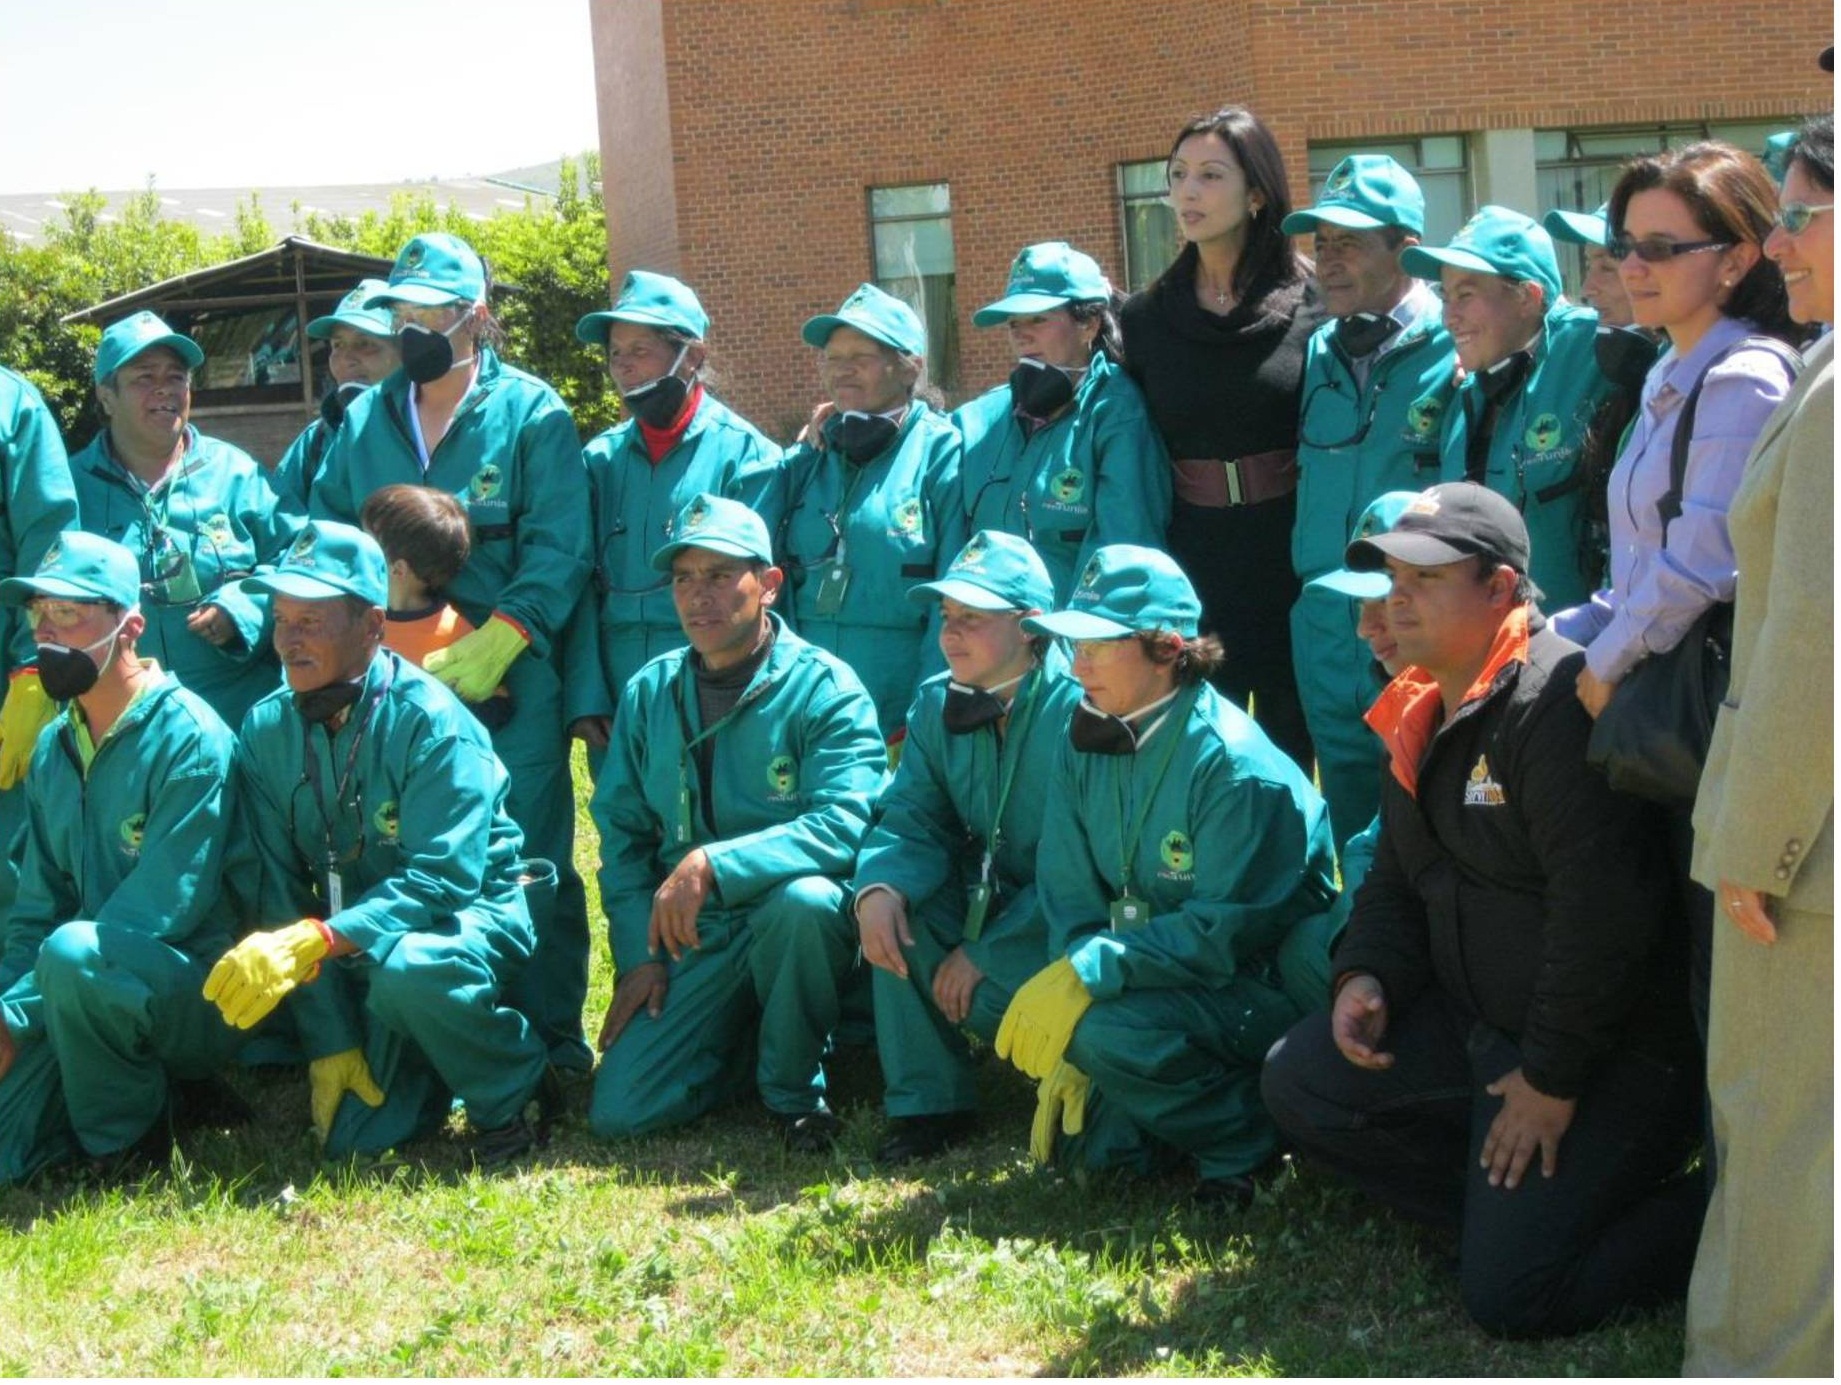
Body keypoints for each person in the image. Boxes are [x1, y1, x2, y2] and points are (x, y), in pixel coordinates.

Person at [1261, 483, 1705, 1339]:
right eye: (1392, 575)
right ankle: (1508, 1207)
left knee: (1513, 1298)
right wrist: (1366, 973)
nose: (1395, 598)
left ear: (1500, 589)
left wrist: (1549, 1081)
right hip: (1486, 1027)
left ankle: (1714, 1209)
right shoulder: (1420, 700)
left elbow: (1603, 922)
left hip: (1610, 1053)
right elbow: (1394, 881)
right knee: (1300, 1079)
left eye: (1424, 577)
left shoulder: (1554, 703)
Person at [310, 233, 594, 1076]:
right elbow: (326, 537)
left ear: (476, 313)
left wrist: (508, 634)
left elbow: (559, 544)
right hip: (390, 689)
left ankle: (550, 1041)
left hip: (507, 683)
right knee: (404, 855)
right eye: (402, 310)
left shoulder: (532, 412)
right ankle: (427, 1044)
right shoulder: (364, 419)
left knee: (529, 858)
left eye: (433, 308)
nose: (414, 326)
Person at [1553, 141, 1803, 1055]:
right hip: (1655, 704)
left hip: (1700, 710)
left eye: (1663, 247)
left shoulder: (1742, 378)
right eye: (1626, 243)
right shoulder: (1670, 371)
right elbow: (1636, 561)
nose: (1631, 265)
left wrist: (1603, 661)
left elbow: (1706, 562)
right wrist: (1557, 637)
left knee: (1721, 975)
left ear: (1736, 260)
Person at [205, 520, 555, 1163]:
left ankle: (515, 1089)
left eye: (312, 620)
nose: (289, 639)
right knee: (356, 1142)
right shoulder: (266, 727)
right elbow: (279, 891)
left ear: (371, 625)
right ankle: (423, 1059)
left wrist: (329, 938)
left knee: (411, 972)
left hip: (464, 915)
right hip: (358, 937)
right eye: (281, 619)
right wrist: (329, 1039)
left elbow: (444, 879)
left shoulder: (431, 719)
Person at [1003, 544, 1336, 1202]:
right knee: (1091, 1149)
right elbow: (1068, 892)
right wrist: (1077, 967)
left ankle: (1248, 1141)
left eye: (1100, 643)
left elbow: (1222, 934)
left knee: (1100, 1032)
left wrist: (1091, 977)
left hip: (1252, 986)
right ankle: (1154, 1107)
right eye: (1074, 642)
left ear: (1166, 647)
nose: (1078, 662)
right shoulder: (1089, 735)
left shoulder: (1234, 765)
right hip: (1152, 973)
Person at [587, 495, 886, 1151]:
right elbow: (624, 837)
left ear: (770, 584)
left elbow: (847, 821)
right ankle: (743, 1038)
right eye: (683, 578)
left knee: (803, 904)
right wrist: (640, 956)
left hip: (792, 917)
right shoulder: (649, 691)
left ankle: (792, 1092)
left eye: (720, 575)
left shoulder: (825, 687)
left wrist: (716, 863)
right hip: (695, 930)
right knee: (621, 1111)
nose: (699, 596)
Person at [1684, 113, 1834, 1379]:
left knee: (1785, 1138)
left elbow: (1806, 646)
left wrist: (1753, 840)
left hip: (1809, 844)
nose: (1779, 240)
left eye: (1806, 211)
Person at [0, 533, 240, 1181]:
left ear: (130, 625)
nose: (47, 632)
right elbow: (34, 911)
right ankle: (140, 1096)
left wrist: (13, 1016)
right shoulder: (55, 746)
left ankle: (128, 1146)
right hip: (76, 981)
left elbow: (160, 908)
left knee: (75, 953)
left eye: (70, 614)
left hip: (196, 990)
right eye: (38, 613)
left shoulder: (191, 736)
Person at [852, 530, 1083, 1163]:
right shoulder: (936, 703)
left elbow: (1083, 869)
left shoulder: (1083, 711)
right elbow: (912, 816)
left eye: (973, 619)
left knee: (994, 989)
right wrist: (879, 885)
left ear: (1031, 626)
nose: (950, 634)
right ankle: (929, 1105)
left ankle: (1076, 1073)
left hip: (1067, 918)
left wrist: (987, 953)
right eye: (947, 617)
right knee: (901, 914)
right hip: (992, 893)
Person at [1120, 106, 1321, 772]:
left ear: (1257, 192)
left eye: (1210, 175)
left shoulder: (1312, 302)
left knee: (1298, 741)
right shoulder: (1145, 316)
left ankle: (1305, 871)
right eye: (1177, 176)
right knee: (1201, 745)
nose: (1187, 192)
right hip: (1194, 552)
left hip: (1290, 550)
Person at [1282, 154, 1457, 841]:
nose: (1327, 260)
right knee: (1350, 820)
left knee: (1429, 814)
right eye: (1321, 244)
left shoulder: (1454, 346)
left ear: (1406, 252)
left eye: (1349, 243)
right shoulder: (1318, 351)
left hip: (1415, 618)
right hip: (1326, 622)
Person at [566, 270, 783, 754]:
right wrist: (585, 693)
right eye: (615, 354)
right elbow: (577, 582)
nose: (624, 368)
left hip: (710, 673)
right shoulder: (598, 460)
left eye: (640, 351)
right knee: (626, 821)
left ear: (693, 356)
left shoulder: (747, 457)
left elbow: (759, 592)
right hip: (616, 683)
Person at [70, 310, 300, 732]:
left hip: (241, 720)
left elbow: (298, 555)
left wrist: (243, 608)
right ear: (106, 396)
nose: (165, 389)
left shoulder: (238, 474)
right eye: (144, 377)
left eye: (176, 376)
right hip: (121, 726)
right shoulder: (71, 490)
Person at [775, 283, 964, 746]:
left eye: (860, 357)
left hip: (899, 700)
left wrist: (928, 704)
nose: (842, 370)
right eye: (832, 358)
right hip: (808, 696)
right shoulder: (812, 454)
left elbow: (954, 595)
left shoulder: (943, 454)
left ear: (909, 367)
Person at [1402, 207, 1615, 610]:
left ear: (1527, 297)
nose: (1450, 317)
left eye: (1466, 295)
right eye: (1445, 296)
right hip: (1485, 648)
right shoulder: (1469, 389)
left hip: (1578, 649)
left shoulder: (1593, 347)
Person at [954, 242, 1170, 603]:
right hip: (989, 639)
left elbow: (1123, 554)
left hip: (1070, 640)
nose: (1022, 334)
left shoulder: (1116, 412)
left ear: (1089, 324)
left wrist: (1069, 645)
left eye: (1038, 318)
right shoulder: (979, 417)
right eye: (1013, 323)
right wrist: (843, 419)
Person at [0, 365, 79, 915]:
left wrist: (34, 669)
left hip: (5, 683)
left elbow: (49, 545)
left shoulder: (12, 406)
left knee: (11, 865)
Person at [359, 483, 509, 729]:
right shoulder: (354, 614)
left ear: (398, 569)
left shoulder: (453, 632)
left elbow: (497, 703)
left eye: (367, 543)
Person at [271, 279, 399, 511]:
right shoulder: (315, 443)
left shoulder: (430, 433)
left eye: (365, 344)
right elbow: (281, 532)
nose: (345, 360)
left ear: (405, 351)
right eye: (337, 345)